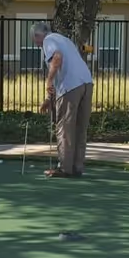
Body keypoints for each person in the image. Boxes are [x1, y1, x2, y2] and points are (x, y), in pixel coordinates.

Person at [33, 22, 94, 178]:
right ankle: (77, 167)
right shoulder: (64, 39)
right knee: (81, 128)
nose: (36, 43)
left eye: (35, 39)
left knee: (65, 128)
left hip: (70, 86)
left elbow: (57, 59)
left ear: (38, 35)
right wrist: (49, 98)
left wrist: (48, 81)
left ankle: (65, 168)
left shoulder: (48, 40)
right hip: (87, 82)